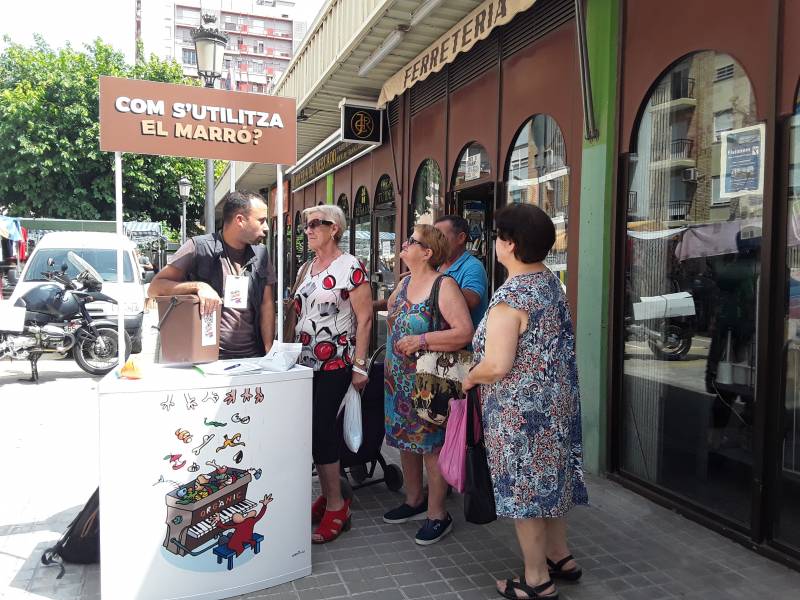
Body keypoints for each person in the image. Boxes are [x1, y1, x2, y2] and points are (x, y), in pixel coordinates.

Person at [463, 204, 588, 600]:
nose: (495, 243)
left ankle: (537, 580)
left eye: (499, 236)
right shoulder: (549, 283)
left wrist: (466, 378)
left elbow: (497, 365)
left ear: (509, 244)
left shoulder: (511, 298)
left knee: (526, 494)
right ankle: (559, 555)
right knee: (551, 483)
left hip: (520, 415)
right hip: (556, 406)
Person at [383, 224, 473, 545]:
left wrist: (421, 338)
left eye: (411, 241)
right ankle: (413, 500)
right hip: (399, 381)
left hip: (430, 382)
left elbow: (464, 333)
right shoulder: (406, 282)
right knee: (406, 444)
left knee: (432, 447)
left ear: (428, 252)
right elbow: (393, 313)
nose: (404, 244)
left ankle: (438, 514)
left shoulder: (444, 285)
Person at [290, 204, 373, 544]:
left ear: (334, 228)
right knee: (312, 432)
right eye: (306, 226)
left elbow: (365, 319)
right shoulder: (307, 267)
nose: (308, 230)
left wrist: (361, 365)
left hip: (336, 362)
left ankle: (338, 506)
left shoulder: (350, 265)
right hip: (304, 362)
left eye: (315, 224)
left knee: (322, 431)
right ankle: (328, 495)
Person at [148, 191, 276, 358]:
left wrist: (269, 351)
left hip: (252, 360)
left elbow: (266, 304)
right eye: (261, 221)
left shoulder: (261, 254)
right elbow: (154, 288)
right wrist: (198, 287)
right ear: (240, 220)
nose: (266, 227)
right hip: (206, 358)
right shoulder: (198, 247)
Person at [434, 215, 489, 328]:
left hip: (464, 344)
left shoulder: (473, 266)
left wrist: (431, 281)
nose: (435, 242)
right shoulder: (437, 264)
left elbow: (473, 300)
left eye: (440, 237)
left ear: (461, 238)